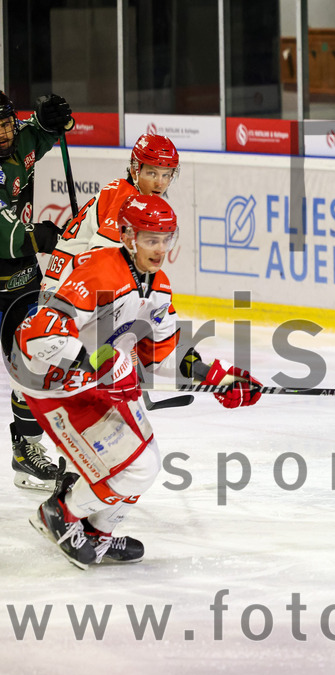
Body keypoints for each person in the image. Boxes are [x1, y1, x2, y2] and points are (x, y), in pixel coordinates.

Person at [7, 194, 263, 569]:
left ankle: (97, 536)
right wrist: (95, 366)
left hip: (93, 383)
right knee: (135, 466)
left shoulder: (157, 287)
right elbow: (40, 332)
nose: (159, 249)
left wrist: (218, 377)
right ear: (128, 237)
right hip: (54, 383)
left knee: (147, 461)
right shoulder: (99, 270)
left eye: (165, 239)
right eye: (150, 239)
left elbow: (162, 355)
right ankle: (59, 513)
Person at [0, 90, 76, 490]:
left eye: (6, 123)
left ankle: (25, 450)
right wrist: (42, 236)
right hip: (6, 264)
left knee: (33, 360)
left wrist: (50, 117)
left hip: (22, 279)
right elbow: (7, 236)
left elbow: (45, 132)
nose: (4, 133)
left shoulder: (17, 139)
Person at [39, 133, 179, 304]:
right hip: (65, 290)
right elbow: (101, 255)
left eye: (166, 175)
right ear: (135, 171)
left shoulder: (129, 194)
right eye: (152, 173)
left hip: (71, 284)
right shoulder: (127, 200)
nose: (160, 183)